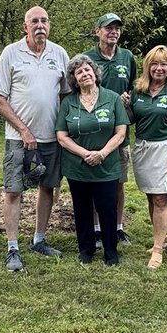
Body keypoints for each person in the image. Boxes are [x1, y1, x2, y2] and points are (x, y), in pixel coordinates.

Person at [0, 6, 71, 272]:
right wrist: (24, 130)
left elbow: (65, 95)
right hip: (18, 138)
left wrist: (62, 129)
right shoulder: (11, 53)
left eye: (44, 21)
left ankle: (39, 239)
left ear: (50, 25)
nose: (40, 25)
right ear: (25, 26)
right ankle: (12, 247)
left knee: (47, 188)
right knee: (14, 191)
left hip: (51, 139)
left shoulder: (59, 54)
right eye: (34, 21)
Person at [55, 54, 129, 266]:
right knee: (82, 208)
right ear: (74, 79)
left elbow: (121, 132)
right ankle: (86, 250)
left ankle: (111, 251)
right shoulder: (69, 102)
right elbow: (61, 135)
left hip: (107, 165)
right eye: (79, 72)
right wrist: (83, 153)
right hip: (77, 166)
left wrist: (102, 153)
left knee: (107, 207)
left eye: (87, 70)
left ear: (95, 74)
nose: (84, 74)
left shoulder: (113, 98)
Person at [127, 45, 167, 269]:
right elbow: (131, 119)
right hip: (144, 149)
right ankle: (160, 241)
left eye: (164, 64)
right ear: (148, 66)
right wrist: (125, 105)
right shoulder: (139, 90)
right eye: (155, 63)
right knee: (150, 197)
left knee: (160, 199)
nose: (159, 68)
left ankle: (156, 250)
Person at [87, 12, 136, 245]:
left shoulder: (127, 57)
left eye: (117, 28)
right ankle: (97, 229)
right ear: (98, 31)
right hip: (96, 133)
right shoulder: (87, 58)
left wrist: (129, 98)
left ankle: (117, 227)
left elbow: (137, 87)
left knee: (118, 182)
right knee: (97, 183)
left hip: (120, 133)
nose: (113, 31)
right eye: (108, 28)